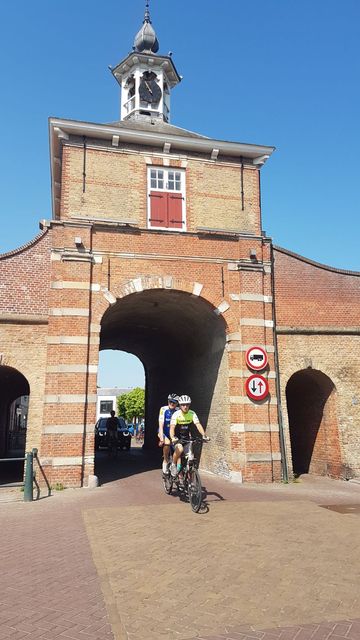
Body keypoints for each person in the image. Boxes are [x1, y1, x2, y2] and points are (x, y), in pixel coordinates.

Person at [169, 395, 209, 477]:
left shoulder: (192, 413)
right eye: (183, 405)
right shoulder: (176, 414)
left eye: (187, 404)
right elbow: (172, 427)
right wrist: (173, 437)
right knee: (179, 449)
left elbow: (198, 425)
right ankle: (173, 465)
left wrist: (204, 435)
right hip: (177, 438)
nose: (185, 407)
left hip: (187, 439)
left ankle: (190, 482)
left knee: (191, 457)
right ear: (180, 406)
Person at [158, 393, 179, 474]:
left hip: (173, 433)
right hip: (164, 431)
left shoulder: (178, 410)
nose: (172, 404)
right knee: (167, 443)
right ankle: (165, 461)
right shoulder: (163, 409)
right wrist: (161, 439)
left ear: (177, 403)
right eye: (170, 402)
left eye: (174, 402)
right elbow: (160, 425)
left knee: (179, 449)